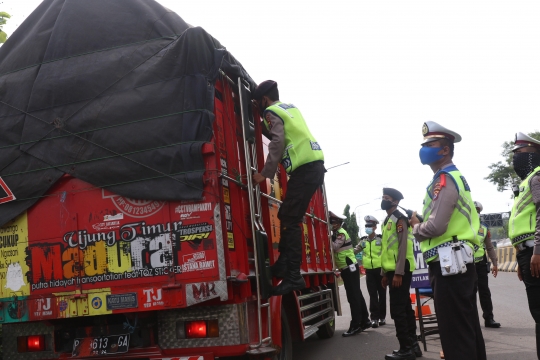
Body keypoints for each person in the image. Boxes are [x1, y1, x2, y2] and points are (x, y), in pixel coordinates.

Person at [409, 121, 486, 360]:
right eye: (424, 144)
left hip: (449, 266)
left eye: (431, 144)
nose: (425, 148)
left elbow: (436, 226)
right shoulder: (451, 177)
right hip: (454, 263)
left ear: (445, 149)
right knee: (467, 330)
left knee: (455, 335)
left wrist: (415, 226)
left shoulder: (444, 178)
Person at [252, 80, 325, 296]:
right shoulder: (290, 108)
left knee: (290, 219)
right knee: (287, 214)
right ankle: (284, 263)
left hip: (305, 170)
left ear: (263, 100)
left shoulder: (270, 112)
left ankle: (293, 276)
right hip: (313, 167)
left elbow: (277, 141)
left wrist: (263, 174)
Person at [508, 132, 540, 358]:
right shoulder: (526, 182)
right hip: (527, 253)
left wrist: (537, 251)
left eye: (520, 153)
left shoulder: (537, 178)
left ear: (533, 154)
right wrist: (520, 255)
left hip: (535, 250)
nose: (515, 157)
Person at [379, 188, 420, 360]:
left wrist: (398, 273)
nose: (383, 200)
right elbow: (385, 250)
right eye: (382, 197)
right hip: (392, 270)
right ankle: (413, 347)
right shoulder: (386, 220)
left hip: (400, 270)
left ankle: (405, 349)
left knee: (397, 310)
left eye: (386, 198)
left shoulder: (399, 219)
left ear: (395, 201)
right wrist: (384, 273)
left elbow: (403, 247)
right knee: (403, 307)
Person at [329, 211, 371, 336]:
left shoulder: (341, 234)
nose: (332, 225)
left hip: (349, 267)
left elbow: (334, 247)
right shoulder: (336, 233)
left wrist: (326, 237)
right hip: (347, 267)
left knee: (353, 296)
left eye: (334, 223)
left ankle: (356, 325)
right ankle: (365, 320)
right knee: (356, 294)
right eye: (331, 222)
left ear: (339, 223)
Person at [354, 215, 387, 328]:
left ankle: (382, 317)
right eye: (366, 226)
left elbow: (386, 253)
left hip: (381, 271)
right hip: (369, 272)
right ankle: (374, 318)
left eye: (370, 226)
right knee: (372, 295)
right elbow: (355, 250)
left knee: (382, 294)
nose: (368, 228)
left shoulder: (380, 239)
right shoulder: (363, 241)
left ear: (375, 227)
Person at [473, 201, 501, 328]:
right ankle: (471, 322)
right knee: (469, 293)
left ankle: (489, 318)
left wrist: (495, 263)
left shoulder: (483, 227)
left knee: (484, 292)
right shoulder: (463, 225)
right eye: (474, 210)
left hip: (480, 263)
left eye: (478, 210)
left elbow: (489, 247)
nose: (476, 212)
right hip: (466, 265)